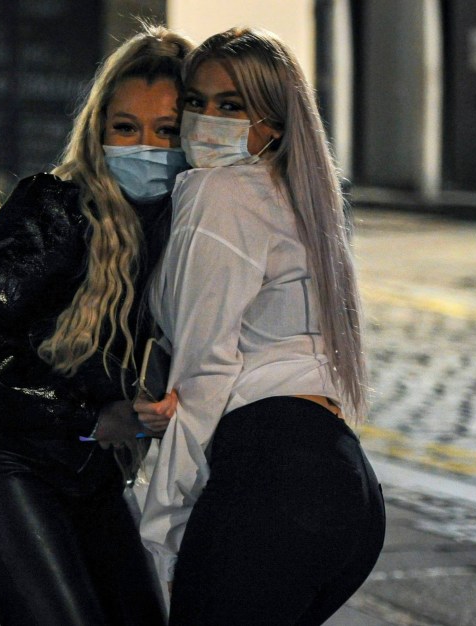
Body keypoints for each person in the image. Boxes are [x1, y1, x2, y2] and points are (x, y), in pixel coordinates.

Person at [0, 24, 194, 626]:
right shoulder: (55, 207)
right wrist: (91, 416)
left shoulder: (189, 228)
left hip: (95, 476)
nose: (147, 147)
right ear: (100, 127)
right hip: (6, 464)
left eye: (168, 131)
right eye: (126, 127)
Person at [136, 27, 386, 625]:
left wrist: (164, 521)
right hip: (344, 483)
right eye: (194, 102)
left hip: (274, 480)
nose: (204, 120)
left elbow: (206, 369)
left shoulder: (218, 191)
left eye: (231, 106)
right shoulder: (291, 193)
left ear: (271, 122)